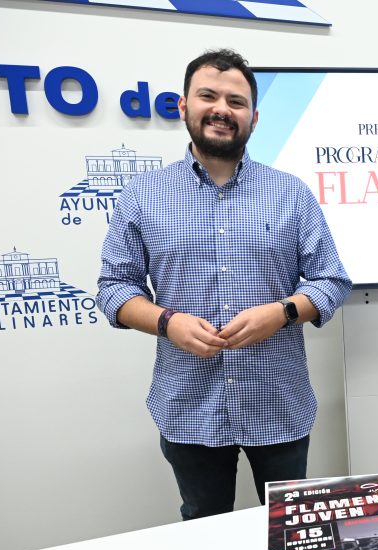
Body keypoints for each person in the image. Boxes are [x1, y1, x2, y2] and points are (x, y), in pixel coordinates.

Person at [97, 49, 351, 520]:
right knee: (204, 530)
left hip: (279, 402)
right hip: (189, 406)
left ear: (253, 117)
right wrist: (167, 322)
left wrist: (284, 311)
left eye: (235, 101)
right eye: (208, 96)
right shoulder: (142, 196)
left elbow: (331, 280)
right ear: (183, 106)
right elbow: (114, 288)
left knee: (294, 531)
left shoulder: (290, 192)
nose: (221, 110)